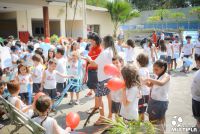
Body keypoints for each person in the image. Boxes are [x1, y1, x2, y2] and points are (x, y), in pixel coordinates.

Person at [85, 35, 118, 125]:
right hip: (110, 77)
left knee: (99, 98)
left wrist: (88, 58)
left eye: (103, 41)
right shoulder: (112, 50)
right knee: (109, 97)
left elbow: (94, 63)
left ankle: (102, 118)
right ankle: (110, 117)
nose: (102, 42)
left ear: (105, 42)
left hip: (103, 78)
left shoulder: (105, 52)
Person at [146, 60, 170, 134]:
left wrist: (149, 79)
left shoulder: (166, 76)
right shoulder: (157, 76)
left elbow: (161, 83)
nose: (154, 71)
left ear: (162, 68)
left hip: (160, 102)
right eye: (153, 69)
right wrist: (145, 82)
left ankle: (160, 131)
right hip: (153, 100)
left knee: (157, 121)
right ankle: (157, 130)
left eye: (156, 69)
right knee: (153, 119)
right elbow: (150, 85)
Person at [86, 33, 102, 97]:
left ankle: (99, 105)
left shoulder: (100, 49)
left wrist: (89, 63)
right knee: (94, 90)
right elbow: (89, 59)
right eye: (90, 41)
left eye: (92, 41)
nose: (91, 42)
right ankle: (97, 105)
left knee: (97, 91)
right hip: (90, 71)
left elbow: (98, 63)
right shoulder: (92, 48)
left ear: (96, 40)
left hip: (95, 71)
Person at [136, 53, 150, 121]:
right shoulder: (146, 69)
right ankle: (142, 121)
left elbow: (142, 82)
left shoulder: (139, 71)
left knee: (140, 110)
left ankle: (140, 122)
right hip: (146, 92)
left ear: (138, 62)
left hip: (142, 93)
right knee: (143, 109)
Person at [191, 54, 200, 132]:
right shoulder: (197, 71)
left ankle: (198, 125)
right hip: (196, 97)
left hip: (197, 99)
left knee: (197, 115)